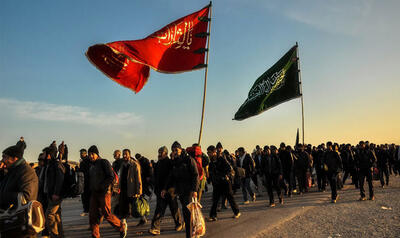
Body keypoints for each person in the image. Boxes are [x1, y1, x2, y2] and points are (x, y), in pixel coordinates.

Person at [88, 145, 127, 238]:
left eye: (92, 154)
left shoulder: (103, 162)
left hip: (104, 193)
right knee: (93, 215)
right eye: (89, 154)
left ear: (97, 154)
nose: (91, 156)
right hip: (94, 193)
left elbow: (111, 176)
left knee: (107, 214)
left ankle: (121, 227)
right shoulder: (91, 166)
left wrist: (102, 186)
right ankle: (95, 235)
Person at [162, 141, 199, 238]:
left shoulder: (188, 159)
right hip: (181, 191)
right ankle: (192, 233)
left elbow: (195, 175)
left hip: (189, 191)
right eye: (173, 150)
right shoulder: (174, 162)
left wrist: (194, 190)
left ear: (181, 149)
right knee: (187, 215)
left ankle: (190, 235)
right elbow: (171, 177)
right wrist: (165, 189)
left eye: (176, 149)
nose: (174, 151)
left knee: (188, 215)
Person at [0, 145, 38, 238]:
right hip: (9, 222)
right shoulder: (12, 171)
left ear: (14, 158)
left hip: (19, 224)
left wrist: (2, 197)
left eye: (5, 157)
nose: (2, 160)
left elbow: (26, 197)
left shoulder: (26, 171)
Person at [149, 146, 183, 235]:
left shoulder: (169, 162)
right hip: (160, 190)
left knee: (174, 208)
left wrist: (166, 189)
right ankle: (155, 227)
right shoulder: (158, 163)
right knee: (159, 209)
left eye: (161, 152)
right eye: (159, 152)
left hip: (170, 190)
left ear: (166, 153)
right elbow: (155, 177)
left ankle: (179, 224)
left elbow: (170, 177)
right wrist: (156, 189)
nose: (159, 154)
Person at [207, 145, 240, 221]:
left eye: (209, 152)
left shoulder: (222, 159)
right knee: (215, 200)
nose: (208, 154)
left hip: (225, 182)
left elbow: (229, 168)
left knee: (230, 198)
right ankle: (213, 216)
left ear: (214, 152)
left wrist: (225, 176)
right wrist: (210, 179)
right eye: (207, 152)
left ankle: (236, 212)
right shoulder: (211, 162)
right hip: (217, 184)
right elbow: (211, 172)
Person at [43, 145, 65, 238]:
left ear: (48, 155)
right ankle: (60, 236)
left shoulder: (55, 164)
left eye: (44, 154)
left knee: (49, 215)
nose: (43, 156)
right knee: (57, 216)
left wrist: (56, 193)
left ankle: (54, 235)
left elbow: (60, 179)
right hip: (52, 194)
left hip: (56, 195)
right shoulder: (50, 165)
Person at [118, 149, 142, 225]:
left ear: (129, 155)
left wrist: (139, 191)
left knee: (135, 209)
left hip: (132, 190)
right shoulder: (122, 165)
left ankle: (142, 218)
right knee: (123, 207)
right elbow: (120, 177)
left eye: (126, 154)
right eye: (123, 154)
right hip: (123, 189)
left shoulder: (134, 164)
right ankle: (123, 224)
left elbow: (138, 179)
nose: (124, 156)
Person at [135, 153, 153, 226]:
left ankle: (143, 216)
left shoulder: (144, 160)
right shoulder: (142, 160)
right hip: (143, 180)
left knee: (142, 197)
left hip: (144, 180)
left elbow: (149, 168)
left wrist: (149, 176)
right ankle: (143, 217)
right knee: (143, 196)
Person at [79, 148, 91, 216]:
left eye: (81, 153)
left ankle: (87, 210)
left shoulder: (86, 161)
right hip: (85, 181)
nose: (80, 155)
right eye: (80, 153)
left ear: (85, 154)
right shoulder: (83, 161)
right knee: (85, 196)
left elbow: (85, 171)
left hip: (87, 181)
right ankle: (86, 210)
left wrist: (79, 170)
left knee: (86, 196)